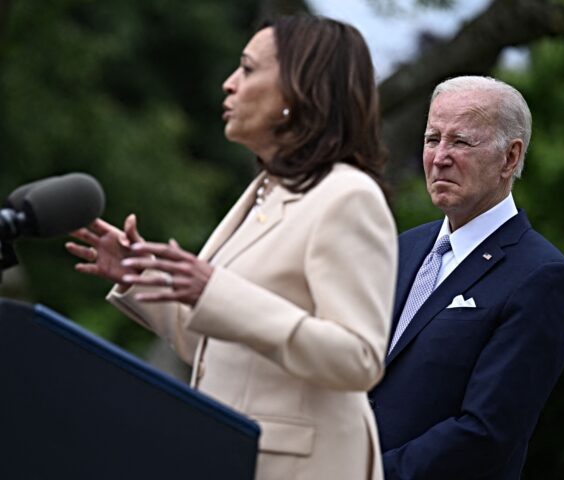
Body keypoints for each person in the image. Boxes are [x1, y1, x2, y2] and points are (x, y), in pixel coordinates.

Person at [65, 15, 397, 480]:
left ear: (298, 90)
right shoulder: (266, 190)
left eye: (246, 69)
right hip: (232, 454)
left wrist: (215, 291)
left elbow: (358, 358)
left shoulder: (348, 197)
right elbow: (214, 345)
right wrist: (141, 276)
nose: (229, 84)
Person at [369, 76, 564, 479]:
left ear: (510, 158)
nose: (440, 157)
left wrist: (369, 473)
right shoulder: (402, 248)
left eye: (461, 142)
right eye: (432, 139)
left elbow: (487, 434)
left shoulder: (541, 276)